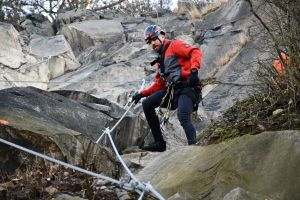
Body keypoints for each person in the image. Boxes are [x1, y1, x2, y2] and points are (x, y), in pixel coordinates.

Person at [132, 25, 202, 152]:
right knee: (147, 104)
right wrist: (141, 94)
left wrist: (193, 71)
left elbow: (195, 51)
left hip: (187, 87)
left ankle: (194, 149)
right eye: (150, 42)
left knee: (183, 115)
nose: (152, 43)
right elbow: (159, 85)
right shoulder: (160, 61)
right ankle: (159, 143)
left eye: (154, 39)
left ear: (162, 36)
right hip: (172, 90)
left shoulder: (174, 45)